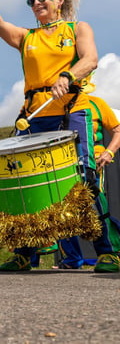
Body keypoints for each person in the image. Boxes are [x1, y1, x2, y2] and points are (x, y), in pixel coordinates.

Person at [0, 0, 119, 272]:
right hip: (35, 116)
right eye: (31, 1)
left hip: (73, 111)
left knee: (84, 178)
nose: (36, 3)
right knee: (23, 183)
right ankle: (26, 254)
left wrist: (67, 76)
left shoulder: (77, 28)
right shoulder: (27, 37)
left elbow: (90, 59)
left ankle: (107, 252)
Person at [56, 84, 120, 269]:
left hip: (93, 162)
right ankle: (71, 258)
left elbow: (117, 131)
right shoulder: (54, 105)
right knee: (62, 210)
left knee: (92, 203)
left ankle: (110, 252)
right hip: (62, 165)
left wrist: (109, 152)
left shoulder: (96, 103)